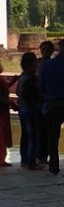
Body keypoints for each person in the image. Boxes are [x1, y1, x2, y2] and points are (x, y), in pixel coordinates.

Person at [39, 39, 64, 175]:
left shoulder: (48, 65)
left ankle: (54, 165)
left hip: (54, 102)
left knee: (53, 137)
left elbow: (42, 86)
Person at [15, 52, 43, 170]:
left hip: (22, 108)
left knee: (25, 135)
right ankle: (31, 162)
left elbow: (17, 91)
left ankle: (24, 160)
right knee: (33, 135)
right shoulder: (31, 78)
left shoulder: (22, 76)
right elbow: (31, 93)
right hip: (30, 108)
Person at [35, 40, 55, 164]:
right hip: (39, 99)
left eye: (48, 50)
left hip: (49, 98)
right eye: (44, 49)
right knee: (40, 129)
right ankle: (40, 155)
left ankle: (46, 155)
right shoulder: (36, 63)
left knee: (49, 129)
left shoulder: (53, 64)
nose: (46, 52)